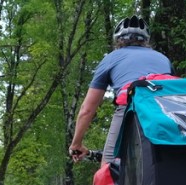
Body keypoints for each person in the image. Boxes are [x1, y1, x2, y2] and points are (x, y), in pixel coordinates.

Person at [69, 15, 173, 163]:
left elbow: (87, 109)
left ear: (118, 40)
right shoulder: (163, 59)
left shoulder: (111, 58)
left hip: (131, 108)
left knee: (109, 168)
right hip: (166, 111)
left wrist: (76, 144)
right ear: (146, 40)